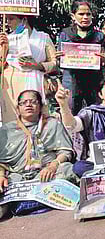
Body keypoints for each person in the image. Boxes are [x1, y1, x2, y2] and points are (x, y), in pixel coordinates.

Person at [0, 90, 76, 218]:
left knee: (68, 170)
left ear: (40, 106)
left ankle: (24, 203)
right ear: (18, 108)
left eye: (33, 101)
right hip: (17, 177)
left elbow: (66, 151)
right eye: (24, 102)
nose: (28, 105)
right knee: (3, 187)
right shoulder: (6, 131)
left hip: (46, 175)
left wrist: (52, 166)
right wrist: (1, 176)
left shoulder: (52, 124)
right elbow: (2, 162)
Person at [0, 15, 58, 123]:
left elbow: (54, 64)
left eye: (11, 19)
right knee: (12, 123)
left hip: (35, 84)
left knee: (37, 121)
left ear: (24, 20)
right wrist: (4, 48)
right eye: (6, 19)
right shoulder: (6, 39)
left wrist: (37, 66)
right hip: (11, 87)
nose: (8, 22)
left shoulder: (43, 38)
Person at [57, 1, 105, 115]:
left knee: (96, 115)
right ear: (73, 16)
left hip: (93, 83)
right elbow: (59, 63)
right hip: (71, 82)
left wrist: (104, 58)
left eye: (88, 14)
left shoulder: (99, 36)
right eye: (81, 14)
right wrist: (58, 57)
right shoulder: (65, 34)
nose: (85, 17)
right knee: (70, 115)